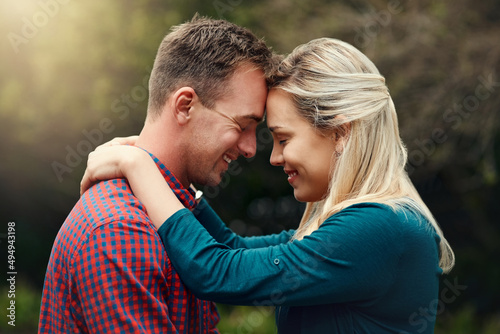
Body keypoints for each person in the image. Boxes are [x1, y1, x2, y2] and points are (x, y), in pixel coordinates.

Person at [81, 38, 455, 333]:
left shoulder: (378, 229)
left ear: (341, 132)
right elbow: (233, 248)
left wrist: (138, 165)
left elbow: (218, 271)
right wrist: (169, 180)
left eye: (283, 138)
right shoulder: (370, 223)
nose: (274, 158)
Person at [39, 15, 277, 333]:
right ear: (184, 106)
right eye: (242, 125)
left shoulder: (169, 215)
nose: (250, 148)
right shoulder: (122, 231)